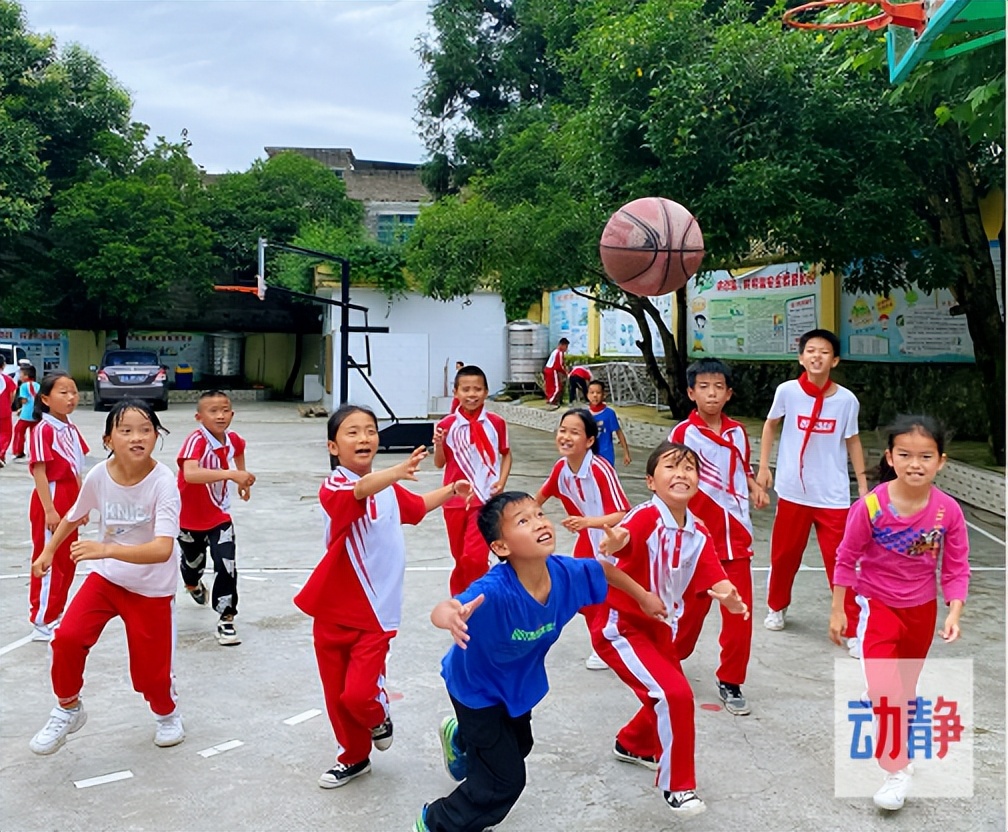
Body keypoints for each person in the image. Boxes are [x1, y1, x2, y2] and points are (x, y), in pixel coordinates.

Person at [414, 491, 666, 832]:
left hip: (518, 683)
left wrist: (644, 596)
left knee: (520, 745)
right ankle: (436, 822)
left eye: (539, 514)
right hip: (475, 690)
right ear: (502, 547)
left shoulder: (566, 573)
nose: (539, 523)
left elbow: (604, 569)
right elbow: (445, 607)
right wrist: (451, 616)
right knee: (505, 780)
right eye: (523, 521)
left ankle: (460, 739)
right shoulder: (496, 590)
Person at [294, 405, 472, 789]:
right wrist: (396, 472)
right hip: (332, 608)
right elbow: (359, 490)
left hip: (376, 613)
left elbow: (416, 506)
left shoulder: (387, 489)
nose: (364, 438)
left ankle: (378, 716)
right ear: (333, 446)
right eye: (353, 433)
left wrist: (450, 490)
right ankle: (354, 758)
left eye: (370, 431)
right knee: (336, 697)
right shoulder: (335, 487)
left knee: (358, 695)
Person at [591, 441, 750, 817]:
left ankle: (632, 744)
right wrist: (639, 587)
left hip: (660, 630)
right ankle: (678, 786)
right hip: (621, 626)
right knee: (676, 695)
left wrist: (731, 597)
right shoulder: (645, 517)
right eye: (671, 467)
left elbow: (716, 576)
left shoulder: (698, 531)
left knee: (664, 695)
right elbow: (607, 559)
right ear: (650, 480)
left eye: (689, 468)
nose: (681, 474)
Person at [828, 415, 969, 812]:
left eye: (926, 456)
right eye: (905, 454)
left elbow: (956, 566)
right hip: (879, 607)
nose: (915, 464)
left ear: (941, 461)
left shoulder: (948, 512)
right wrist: (838, 608)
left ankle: (886, 711)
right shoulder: (869, 507)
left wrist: (954, 611)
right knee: (889, 695)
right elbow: (846, 558)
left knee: (902, 693)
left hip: (921, 613)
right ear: (890, 457)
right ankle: (897, 770)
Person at [28, 399, 184, 755]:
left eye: (146, 430)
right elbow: (74, 514)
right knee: (67, 637)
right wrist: (48, 552)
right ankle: (68, 708)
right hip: (107, 580)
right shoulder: (100, 475)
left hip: (151, 587)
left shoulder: (163, 483)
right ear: (108, 439)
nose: (136, 438)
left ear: (156, 436)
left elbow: (162, 548)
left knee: (150, 676)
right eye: (126, 430)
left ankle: (167, 714)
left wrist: (106, 549)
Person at [755, 328, 867, 651]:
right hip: (793, 492)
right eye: (811, 351)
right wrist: (764, 467)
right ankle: (777, 606)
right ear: (801, 357)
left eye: (825, 352)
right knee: (784, 555)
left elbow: (853, 440)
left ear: (836, 360)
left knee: (841, 560)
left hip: (832, 495)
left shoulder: (847, 401)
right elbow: (770, 424)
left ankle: (852, 626)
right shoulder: (788, 392)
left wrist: (860, 483)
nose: (817, 356)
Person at [669, 358, 768, 715]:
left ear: (729, 394)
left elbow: (742, 468)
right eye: (704, 387)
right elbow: (669, 481)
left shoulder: (738, 432)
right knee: (687, 615)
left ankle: (731, 681)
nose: (712, 394)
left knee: (739, 615)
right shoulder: (682, 434)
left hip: (737, 540)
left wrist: (755, 485)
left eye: (719, 387)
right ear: (691, 392)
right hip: (696, 542)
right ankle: (667, 663)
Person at [535, 408, 630, 670]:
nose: (565, 436)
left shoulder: (600, 469)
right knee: (584, 594)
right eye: (562, 430)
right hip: (589, 540)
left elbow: (623, 513)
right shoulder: (561, 468)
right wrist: (522, 518)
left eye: (574, 432)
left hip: (610, 539)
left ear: (589, 441)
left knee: (602, 594)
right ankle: (606, 642)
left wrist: (587, 522)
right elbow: (538, 499)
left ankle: (605, 645)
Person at [177, 390, 256, 646]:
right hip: (188, 517)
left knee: (227, 563)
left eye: (225, 410)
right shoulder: (196, 440)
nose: (220, 415)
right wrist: (231, 475)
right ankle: (193, 584)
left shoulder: (232, 439)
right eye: (213, 411)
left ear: (232, 413)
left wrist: (242, 479)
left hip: (219, 515)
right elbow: (190, 473)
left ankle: (226, 617)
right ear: (199, 417)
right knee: (193, 563)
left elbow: (239, 450)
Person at [433, 365, 512, 594]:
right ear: (455, 392)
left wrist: (502, 481)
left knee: (475, 558)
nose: (471, 394)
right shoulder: (446, 425)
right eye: (465, 389)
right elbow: (440, 463)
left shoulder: (496, 423)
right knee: (460, 557)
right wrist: (438, 443)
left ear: (486, 392)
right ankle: (460, 599)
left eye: (477, 389)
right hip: (454, 501)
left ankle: (480, 597)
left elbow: (506, 454)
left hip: (485, 499)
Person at [27, 372, 88, 642]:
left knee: (67, 558)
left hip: (69, 494)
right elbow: (39, 470)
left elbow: (76, 468)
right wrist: (50, 509)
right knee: (48, 557)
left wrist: (82, 504)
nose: (71, 397)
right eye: (63, 392)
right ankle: (42, 619)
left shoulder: (71, 429)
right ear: (45, 398)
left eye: (73, 392)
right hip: (51, 494)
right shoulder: (43, 429)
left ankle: (56, 612)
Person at [586, 379, 632, 467]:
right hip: (588, 454)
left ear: (604, 395)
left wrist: (626, 453)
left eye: (598, 392)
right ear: (587, 395)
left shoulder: (609, 413)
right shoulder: (584, 414)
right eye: (592, 392)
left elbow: (619, 433)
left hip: (605, 455)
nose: (595, 395)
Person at [11, 363, 39, 459]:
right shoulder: (38, 385)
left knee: (19, 431)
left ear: (26, 376)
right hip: (36, 414)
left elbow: (24, 400)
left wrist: (20, 407)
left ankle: (18, 451)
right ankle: (34, 451)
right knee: (35, 434)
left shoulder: (23, 386)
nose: (20, 376)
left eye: (21, 374)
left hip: (26, 415)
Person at [543, 338, 569, 408]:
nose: (566, 349)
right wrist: (566, 372)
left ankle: (550, 399)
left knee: (550, 386)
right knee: (557, 387)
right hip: (552, 371)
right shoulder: (559, 353)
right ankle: (552, 400)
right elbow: (559, 366)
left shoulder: (555, 351)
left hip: (548, 369)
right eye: (566, 346)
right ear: (562, 345)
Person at [0, 355, 16, 467]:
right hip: (4, 410)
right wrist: (8, 404)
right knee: (5, 434)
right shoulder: (7, 379)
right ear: (3, 365)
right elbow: (12, 394)